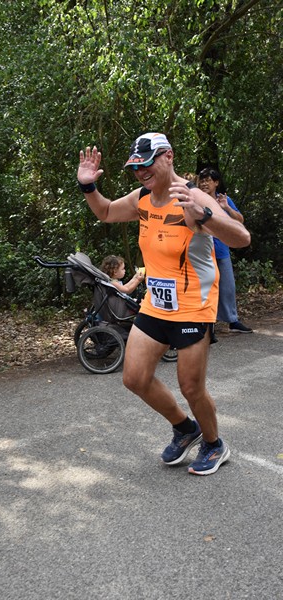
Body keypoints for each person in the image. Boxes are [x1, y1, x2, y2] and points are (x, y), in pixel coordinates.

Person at [77, 132, 251, 476]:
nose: (141, 172)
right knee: (135, 378)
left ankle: (215, 444)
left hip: (193, 306)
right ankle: (186, 429)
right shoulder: (143, 197)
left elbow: (241, 238)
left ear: (168, 156)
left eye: (147, 163)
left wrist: (204, 215)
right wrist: (88, 187)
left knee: (190, 386)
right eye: (135, 167)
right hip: (157, 304)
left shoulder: (193, 194)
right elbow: (108, 212)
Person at [198, 167, 253, 333]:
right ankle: (205, 323)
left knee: (228, 287)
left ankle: (232, 320)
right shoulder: (196, 200)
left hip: (221, 250)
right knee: (204, 288)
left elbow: (240, 220)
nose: (204, 183)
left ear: (216, 183)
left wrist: (227, 208)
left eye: (208, 180)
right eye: (202, 180)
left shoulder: (224, 200)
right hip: (201, 253)